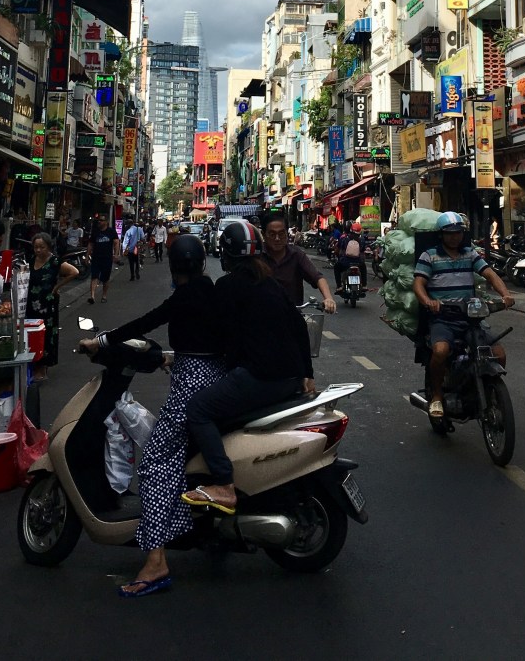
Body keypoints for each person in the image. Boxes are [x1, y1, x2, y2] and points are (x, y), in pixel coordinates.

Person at [81, 234, 225, 599]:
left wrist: (100, 342)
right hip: (218, 380)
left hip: (193, 388)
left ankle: (156, 560)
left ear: (175, 270)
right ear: (203, 264)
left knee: (155, 464)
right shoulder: (215, 293)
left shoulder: (181, 298)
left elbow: (140, 326)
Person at [182, 220, 313, 516]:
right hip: (290, 377)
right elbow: (300, 328)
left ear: (226, 256)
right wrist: (307, 374)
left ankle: (224, 485)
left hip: (261, 376)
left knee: (199, 409)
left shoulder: (228, 286)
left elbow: (220, 335)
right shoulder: (271, 284)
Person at [413, 211, 515, 420]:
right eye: (450, 233)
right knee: (440, 351)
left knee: (498, 353)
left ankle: (487, 389)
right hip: (443, 318)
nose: (455, 237)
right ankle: (438, 396)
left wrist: (505, 294)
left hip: (471, 318)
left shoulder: (470, 254)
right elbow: (419, 284)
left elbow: (489, 273)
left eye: (458, 233)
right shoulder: (429, 255)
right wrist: (428, 301)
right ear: (441, 235)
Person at [27, 232, 79, 380]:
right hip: (31, 303)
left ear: (48, 247)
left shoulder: (55, 261)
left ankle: (43, 368)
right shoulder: (31, 260)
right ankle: (33, 364)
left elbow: (74, 272)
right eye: (36, 247)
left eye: (41, 247)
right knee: (31, 333)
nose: (38, 250)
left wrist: (56, 287)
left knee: (46, 334)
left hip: (47, 304)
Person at [261, 214, 336, 313]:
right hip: (262, 315)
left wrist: (328, 298)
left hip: (292, 316)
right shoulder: (256, 255)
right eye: (272, 234)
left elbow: (317, 277)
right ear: (263, 235)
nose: (277, 238)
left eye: (281, 233)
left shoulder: (296, 255)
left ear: (287, 233)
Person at [87, 213, 119, 304]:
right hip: (96, 257)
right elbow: (90, 244)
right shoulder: (95, 232)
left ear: (106, 222)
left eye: (101, 220)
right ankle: (92, 296)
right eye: (99, 220)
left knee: (105, 278)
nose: (99, 222)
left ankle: (104, 295)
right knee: (94, 276)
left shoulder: (111, 232)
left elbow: (116, 243)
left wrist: (116, 254)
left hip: (107, 258)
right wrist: (87, 256)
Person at [334, 221, 368, 291]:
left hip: (345, 262)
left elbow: (338, 249)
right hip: (359, 263)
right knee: (363, 268)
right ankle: (364, 285)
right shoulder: (362, 240)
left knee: (336, 268)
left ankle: (339, 286)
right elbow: (363, 251)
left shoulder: (344, 238)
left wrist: (337, 253)